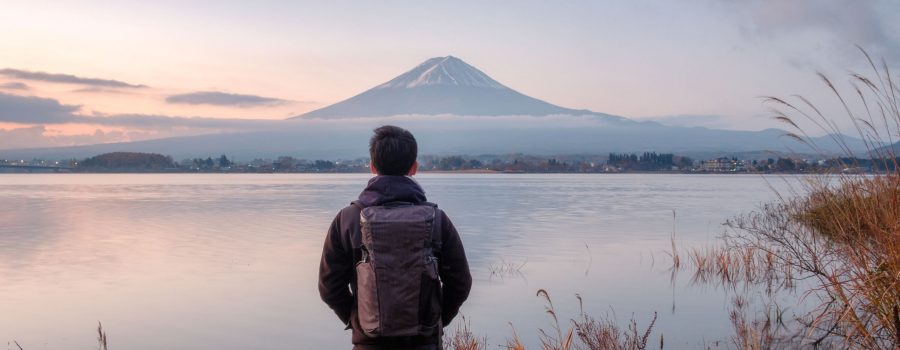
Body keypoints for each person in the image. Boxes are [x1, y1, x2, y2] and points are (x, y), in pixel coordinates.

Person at [319, 125, 472, 350]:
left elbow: (329, 287)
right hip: (425, 343)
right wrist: (435, 322)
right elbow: (460, 283)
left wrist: (358, 321)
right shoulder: (437, 220)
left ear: (372, 166)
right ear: (414, 167)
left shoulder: (348, 219)